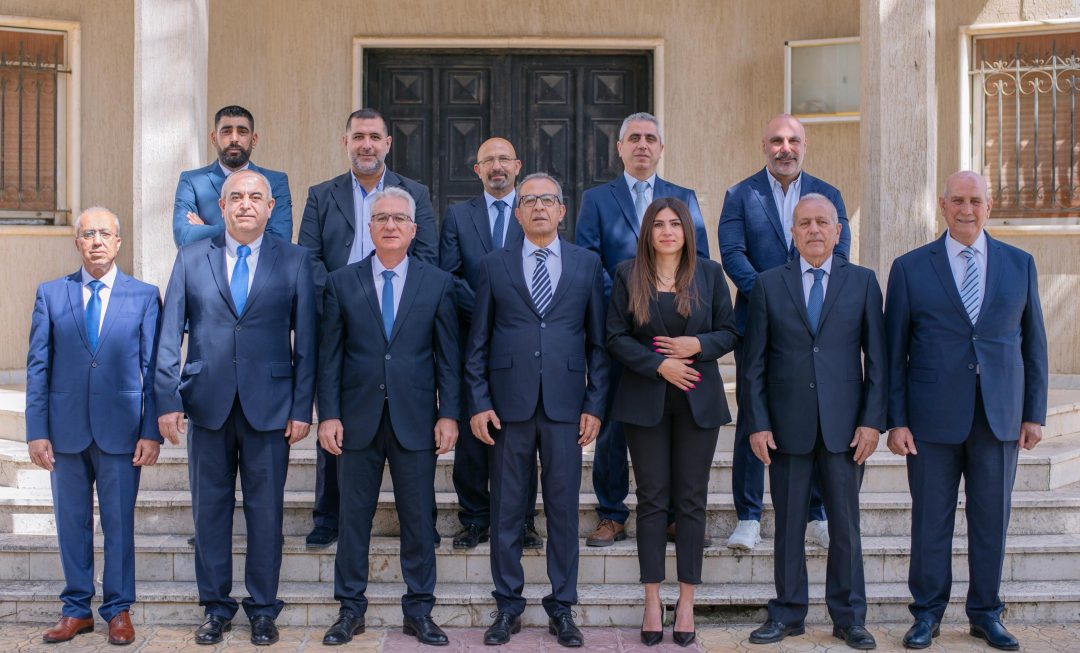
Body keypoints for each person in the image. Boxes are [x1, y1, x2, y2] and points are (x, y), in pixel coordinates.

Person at [885, 171, 1048, 651]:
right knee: (930, 521)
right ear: (943, 205)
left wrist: (1034, 412)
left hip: (999, 415)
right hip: (930, 418)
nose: (966, 209)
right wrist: (896, 420)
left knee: (991, 521)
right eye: (957, 200)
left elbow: (1034, 345)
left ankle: (985, 614)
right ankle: (927, 614)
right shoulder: (910, 268)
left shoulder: (1020, 264)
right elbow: (894, 353)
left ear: (989, 206)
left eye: (976, 201)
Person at [155, 170, 317, 646]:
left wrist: (302, 407)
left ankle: (263, 609)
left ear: (270, 208)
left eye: (255, 197)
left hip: (271, 407)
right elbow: (169, 336)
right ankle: (216, 607)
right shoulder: (191, 258)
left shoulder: (295, 260)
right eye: (237, 197)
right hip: (207, 404)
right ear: (221, 207)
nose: (246, 204)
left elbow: (308, 342)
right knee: (209, 513)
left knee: (266, 514)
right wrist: (167, 399)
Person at [467, 173, 609, 647]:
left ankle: (562, 607)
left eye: (548, 200)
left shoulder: (586, 264)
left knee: (563, 510)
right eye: (529, 201)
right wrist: (479, 402)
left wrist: (595, 404)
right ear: (518, 212)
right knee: (507, 509)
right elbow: (478, 343)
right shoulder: (494, 265)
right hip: (509, 407)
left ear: (562, 210)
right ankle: (507, 606)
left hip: (567, 407)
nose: (539, 208)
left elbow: (598, 344)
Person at [317, 187, 460, 646]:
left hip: (415, 420)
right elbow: (329, 357)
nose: (391, 225)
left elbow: (448, 358)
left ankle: (419, 610)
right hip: (356, 420)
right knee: (352, 520)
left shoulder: (436, 283)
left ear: (414, 229)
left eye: (399, 218)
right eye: (382, 218)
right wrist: (328, 414)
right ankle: (349, 609)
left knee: (418, 521)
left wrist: (449, 414)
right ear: (370, 228)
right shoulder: (342, 282)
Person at [742, 195, 885, 650]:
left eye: (823, 222)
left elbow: (878, 362)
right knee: (788, 525)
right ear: (793, 232)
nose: (814, 230)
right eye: (804, 223)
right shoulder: (768, 284)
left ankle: (849, 618)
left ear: (838, 231)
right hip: (787, 427)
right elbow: (753, 364)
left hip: (847, 429)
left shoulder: (863, 282)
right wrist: (757, 423)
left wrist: (872, 422)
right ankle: (787, 613)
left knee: (845, 526)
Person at [298, 107, 438, 549]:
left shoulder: (415, 193)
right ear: (346, 143)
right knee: (336, 413)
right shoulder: (322, 195)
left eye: (375, 137)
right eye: (358, 136)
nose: (366, 144)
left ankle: (422, 521)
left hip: (400, 316)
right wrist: (340, 296)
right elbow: (309, 258)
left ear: (387, 144)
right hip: (341, 316)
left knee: (407, 425)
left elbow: (428, 255)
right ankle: (328, 516)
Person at [606, 197, 738, 647]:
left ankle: (685, 602)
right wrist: (659, 365)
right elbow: (614, 336)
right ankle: (651, 600)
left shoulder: (710, 274)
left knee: (691, 500)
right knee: (651, 499)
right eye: (659, 224)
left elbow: (730, 332)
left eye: (675, 224)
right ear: (648, 231)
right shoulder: (628, 274)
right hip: (645, 399)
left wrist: (696, 345)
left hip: (698, 402)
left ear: (687, 231)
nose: (667, 231)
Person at [25, 207, 161, 646]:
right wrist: (36, 430)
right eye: (88, 234)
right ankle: (76, 609)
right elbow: (38, 366)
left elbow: (153, 369)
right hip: (65, 432)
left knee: (118, 524)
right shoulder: (51, 294)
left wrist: (151, 431)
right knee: (71, 523)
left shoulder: (144, 296)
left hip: (122, 431)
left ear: (118, 242)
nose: (97, 241)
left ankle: (118, 610)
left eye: (104, 233)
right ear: (77, 243)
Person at [575, 111, 710, 547]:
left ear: (661, 148)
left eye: (651, 138)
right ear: (620, 148)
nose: (642, 145)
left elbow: (700, 263)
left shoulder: (682, 197)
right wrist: (627, 306)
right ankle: (611, 513)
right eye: (633, 138)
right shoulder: (597, 199)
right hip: (620, 332)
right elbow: (589, 262)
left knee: (672, 425)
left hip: (675, 336)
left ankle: (671, 516)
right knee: (615, 424)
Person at [718, 113, 850, 551]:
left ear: (805, 145)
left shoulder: (829, 195)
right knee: (753, 416)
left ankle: (816, 513)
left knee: (813, 416)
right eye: (776, 140)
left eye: (793, 140)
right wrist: (774, 298)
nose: (785, 148)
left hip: (815, 329)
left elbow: (839, 255)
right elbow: (732, 254)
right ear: (764, 146)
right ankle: (749, 516)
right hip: (756, 322)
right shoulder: (740, 195)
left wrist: (798, 301)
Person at [439, 137, 541, 550]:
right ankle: (474, 518)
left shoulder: (535, 210)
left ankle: (524, 520)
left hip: (525, 343)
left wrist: (513, 312)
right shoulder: (457, 216)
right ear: (476, 170)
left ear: (517, 166)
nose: (497, 166)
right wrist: (487, 309)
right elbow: (449, 276)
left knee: (522, 434)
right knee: (471, 434)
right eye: (488, 161)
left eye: (503, 159)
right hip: (472, 340)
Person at [172, 105, 293, 246]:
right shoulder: (192, 181)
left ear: (254, 140)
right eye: (226, 132)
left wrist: (206, 230)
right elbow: (184, 237)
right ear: (214, 138)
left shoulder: (276, 182)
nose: (234, 139)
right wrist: (252, 229)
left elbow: (280, 239)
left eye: (242, 132)